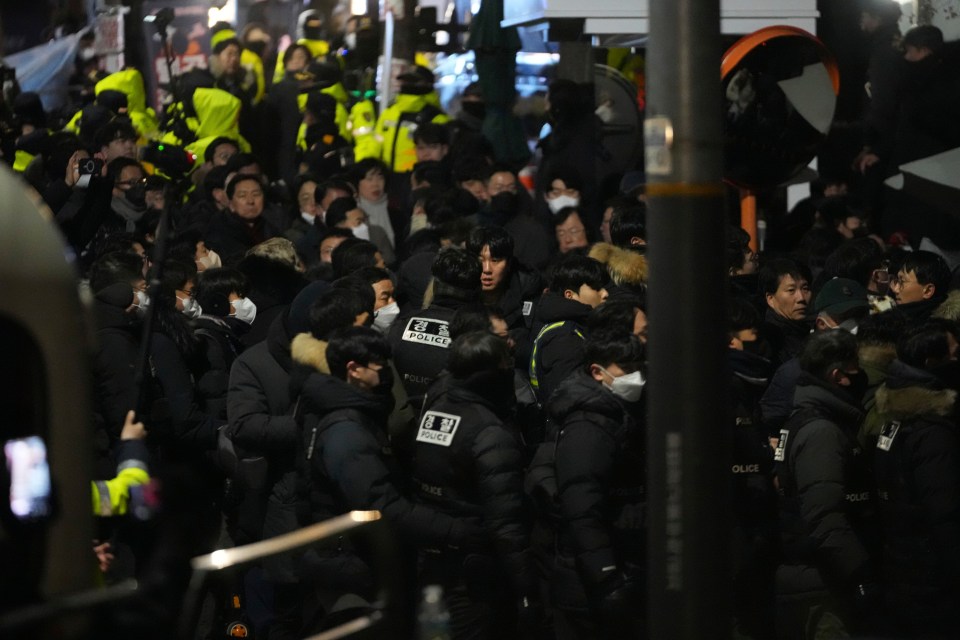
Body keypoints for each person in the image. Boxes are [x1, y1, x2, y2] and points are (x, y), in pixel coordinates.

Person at [291, 325, 481, 633]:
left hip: (357, 562)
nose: (387, 372)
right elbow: (380, 504)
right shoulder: (346, 431)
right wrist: (455, 531)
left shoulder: (349, 413)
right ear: (354, 370)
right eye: (379, 365)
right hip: (352, 570)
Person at [411, 331, 542, 638]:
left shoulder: (435, 410)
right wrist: (528, 590)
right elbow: (506, 523)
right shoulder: (490, 432)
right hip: (476, 573)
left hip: (433, 555)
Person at [774, 330, 880, 640]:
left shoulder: (812, 420)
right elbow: (825, 517)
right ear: (837, 375)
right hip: (825, 584)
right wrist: (860, 574)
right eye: (855, 369)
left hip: (818, 578)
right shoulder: (821, 431)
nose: (862, 377)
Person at [548, 334, 646, 638]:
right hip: (592, 579)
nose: (636, 376)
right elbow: (582, 505)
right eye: (625, 368)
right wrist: (605, 576)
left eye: (638, 366)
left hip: (619, 560)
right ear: (596, 372)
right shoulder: (588, 426)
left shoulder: (617, 413)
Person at [873, 322, 960, 636]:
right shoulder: (931, 432)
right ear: (931, 363)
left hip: (905, 576)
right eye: (955, 354)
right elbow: (944, 514)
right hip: (933, 589)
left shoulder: (896, 418)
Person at [389, 247, 482, 408]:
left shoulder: (400, 327)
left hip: (406, 425)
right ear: (477, 291)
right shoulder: (479, 337)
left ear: (433, 286)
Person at [529, 255, 609, 406]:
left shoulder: (572, 326)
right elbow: (569, 399)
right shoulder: (564, 337)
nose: (605, 294)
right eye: (596, 288)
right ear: (570, 295)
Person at [206, 173, 284, 266]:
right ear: (231, 204)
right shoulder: (219, 230)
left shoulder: (273, 223)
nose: (250, 201)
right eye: (242, 195)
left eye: (256, 194)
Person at [759, 258, 812, 366]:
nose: (801, 297)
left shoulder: (811, 328)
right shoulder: (771, 343)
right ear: (770, 298)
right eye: (791, 290)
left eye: (805, 288)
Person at [889, 249, 951, 321]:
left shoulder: (931, 330)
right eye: (897, 280)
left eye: (902, 281)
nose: (894, 289)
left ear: (928, 291)